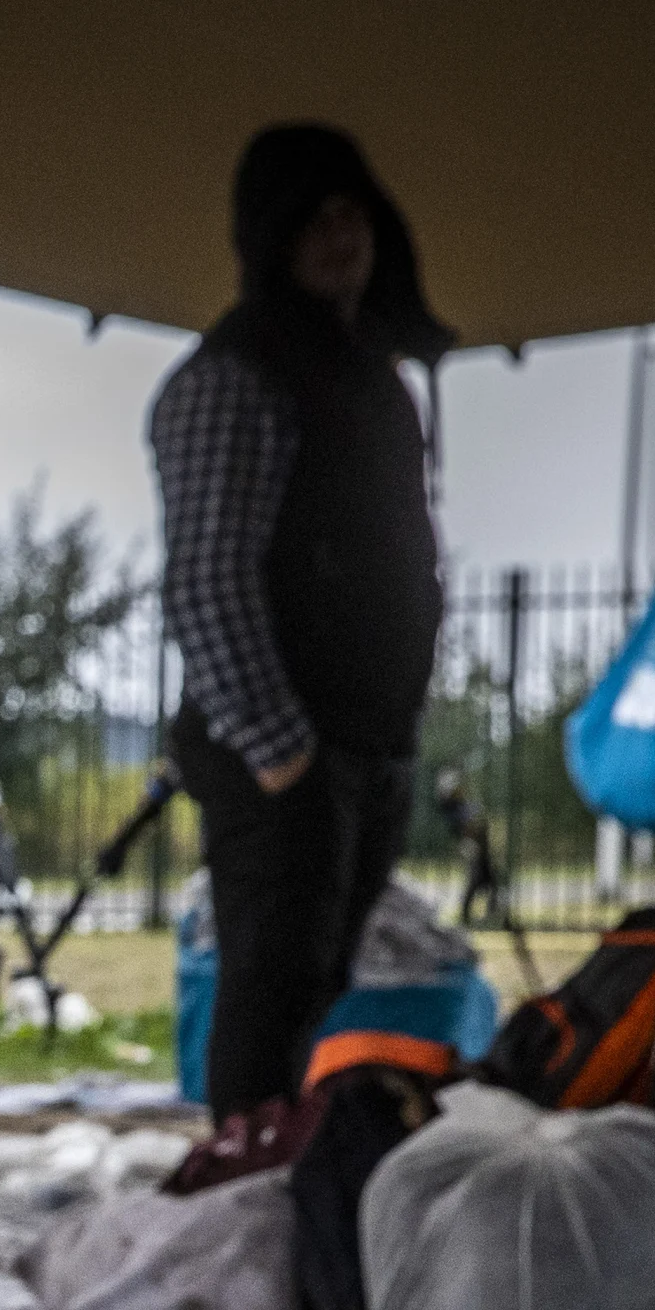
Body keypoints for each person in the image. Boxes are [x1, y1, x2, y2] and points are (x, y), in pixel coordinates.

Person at [150, 124, 453, 1120]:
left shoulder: (374, 379)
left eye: (353, 210)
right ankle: (240, 1186)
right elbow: (206, 578)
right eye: (314, 213)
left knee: (313, 988)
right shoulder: (236, 377)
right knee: (268, 989)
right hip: (287, 752)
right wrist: (283, 754)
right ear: (270, 231)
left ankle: (276, 1178)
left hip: (367, 741)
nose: (341, 233)